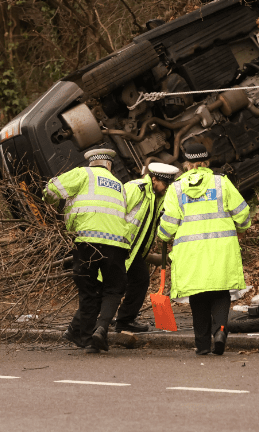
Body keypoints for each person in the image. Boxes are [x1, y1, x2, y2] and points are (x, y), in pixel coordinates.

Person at [157, 142, 251, 356]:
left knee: (198, 297)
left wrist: (162, 235)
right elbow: (242, 213)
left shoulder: (176, 188)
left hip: (190, 254)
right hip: (222, 249)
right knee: (220, 291)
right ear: (206, 162)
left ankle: (202, 345)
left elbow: (169, 225)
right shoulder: (221, 183)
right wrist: (243, 228)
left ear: (187, 164)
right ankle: (220, 330)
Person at [43, 148, 129, 353]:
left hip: (87, 241)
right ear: (109, 165)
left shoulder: (83, 173)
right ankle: (100, 329)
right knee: (113, 289)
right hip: (116, 243)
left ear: (92, 163)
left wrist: (51, 205)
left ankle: (87, 338)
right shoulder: (119, 185)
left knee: (89, 289)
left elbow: (51, 191)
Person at [113, 162, 180, 333]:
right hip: (121, 245)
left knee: (140, 280)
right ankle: (95, 322)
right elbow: (115, 212)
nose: (166, 189)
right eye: (164, 184)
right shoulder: (136, 188)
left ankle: (124, 321)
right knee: (114, 284)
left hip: (135, 250)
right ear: (154, 178)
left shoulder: (159, 195)